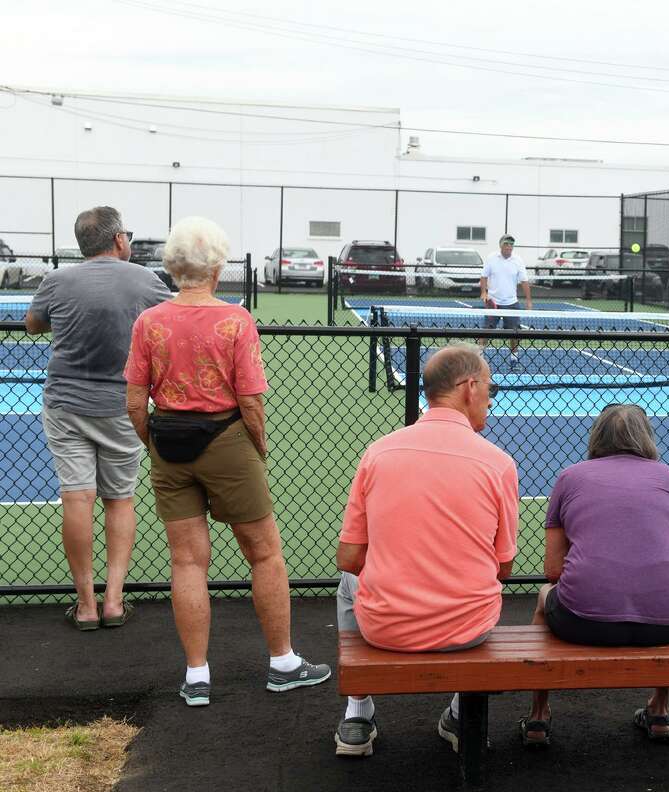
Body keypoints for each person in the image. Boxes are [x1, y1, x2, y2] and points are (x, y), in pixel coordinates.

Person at [124, 216, 328, 707]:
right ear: (217, 267)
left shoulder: (149, 322)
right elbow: (252, 400)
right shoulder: (235, 321)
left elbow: (134, 401)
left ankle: (197, 676)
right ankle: (282, 662)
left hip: (169, 444)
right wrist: (256, 447)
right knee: (263, 553)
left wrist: (153, 441)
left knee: (187, 561)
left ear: (173, 268)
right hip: (227, 441)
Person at [333, 343, 517, 758]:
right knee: (479, 578)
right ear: (469, 387)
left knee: (348, 581)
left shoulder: (379, 452)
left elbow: (349, 558)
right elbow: (503, 567)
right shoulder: (499, 464)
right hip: (468, 629)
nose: (491, 397)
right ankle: (456, 713)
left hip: (386, 627)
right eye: (491, 387)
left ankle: (358, 712)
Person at [25, 206, 171, 631]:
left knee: (76, 498)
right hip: (120, 406)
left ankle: (85, 606)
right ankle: (113, 601)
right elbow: (167, 320)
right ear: (119, 240)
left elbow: (35, 325)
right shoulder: (144, 280)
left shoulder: (57, 280)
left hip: (66, 405)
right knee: (119, 499)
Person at [519, 403, 669, 748]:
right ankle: (659, 711)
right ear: (646, 437)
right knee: (664, 590)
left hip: (581, 620)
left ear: (597, 436)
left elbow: (553, 571)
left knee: (544, 598)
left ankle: (539, 715)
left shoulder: (570, 477)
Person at [479, 234, 532, 362]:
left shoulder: (518, 260)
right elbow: (483, 276)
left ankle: (514, 358)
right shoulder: (491, 258)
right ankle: (479, 357)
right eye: (506, 244)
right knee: (486, 331)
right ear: (501, 245)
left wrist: (529, 301)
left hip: (511, 303)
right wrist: (484, 293)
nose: (509, 246)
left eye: (511, 244)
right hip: (493, 302)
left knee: (514, 333)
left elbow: (524, 281)